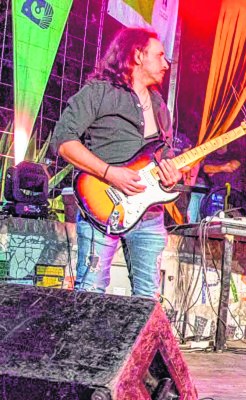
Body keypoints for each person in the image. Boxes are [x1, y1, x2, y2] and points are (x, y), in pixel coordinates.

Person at [50, 28, 183, 298]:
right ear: (138, 55)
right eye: (159, 55)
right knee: (90, 292)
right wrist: (110, 173)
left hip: (149, 215)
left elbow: (163, 155)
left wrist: (171, 176)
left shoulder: (159, 105)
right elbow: (63, 141)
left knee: (148, 299)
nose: (166, 64)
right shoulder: (99, 92)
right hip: (103, 206)